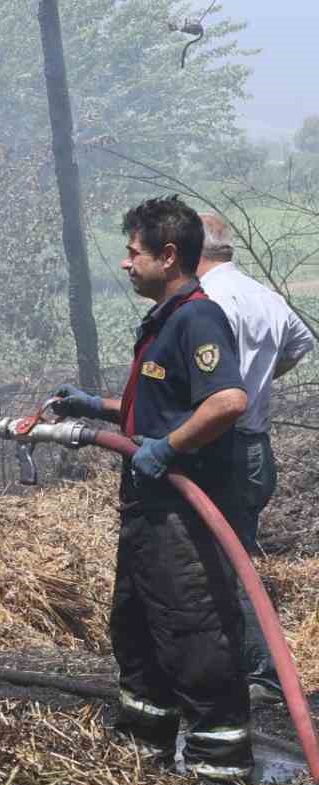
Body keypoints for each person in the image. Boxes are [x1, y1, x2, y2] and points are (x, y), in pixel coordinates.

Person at [50, 196, 251, 785]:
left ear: (168, 256)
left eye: (133, 252)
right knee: (137, 626)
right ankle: (143, 748)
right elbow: (163, 406)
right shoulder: (164, 321)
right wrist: (101, 408)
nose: (124, 263)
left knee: (194, 630)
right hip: (150, 512)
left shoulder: (197, 317)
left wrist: (170, 448)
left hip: (184, 515)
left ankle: (220, 769)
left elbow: (227, 401)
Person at [196, 211, 315, 707]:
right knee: (230, 554)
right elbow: (301, 345)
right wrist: (258, 380)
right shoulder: (267, 298)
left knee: (226, 560)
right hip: (254, 449)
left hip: (219, 448)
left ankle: (262, 672)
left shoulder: (205, 304)